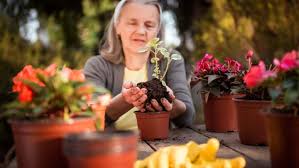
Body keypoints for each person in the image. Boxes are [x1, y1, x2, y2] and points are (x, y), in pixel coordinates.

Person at [84, 0, 195, 130]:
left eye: (149, 25)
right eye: (132, 23)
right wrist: (125, 100)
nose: (141, 31)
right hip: (114, 147)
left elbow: (187, 118)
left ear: (157, 30)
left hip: (160, 145)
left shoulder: (170, 60)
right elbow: (90, 119)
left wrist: (170, 102)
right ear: (117, 26)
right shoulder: (97, 66)